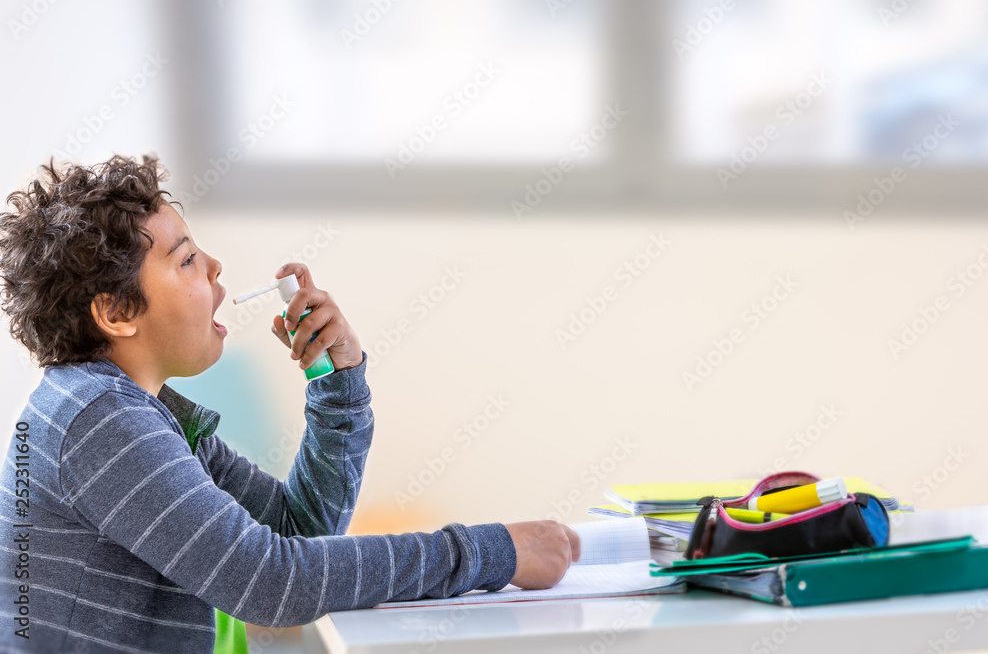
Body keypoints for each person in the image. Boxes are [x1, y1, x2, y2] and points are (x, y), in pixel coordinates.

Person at [0, 154, 579, 653]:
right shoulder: (100, 421)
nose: (215, 266)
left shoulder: (142, 413)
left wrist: (337, 381)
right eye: (185, 259)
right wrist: (494, 552)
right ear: (118, 313)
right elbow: (276, 584)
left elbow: (299, 533)